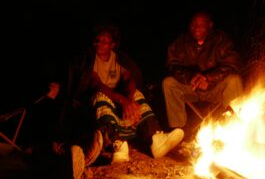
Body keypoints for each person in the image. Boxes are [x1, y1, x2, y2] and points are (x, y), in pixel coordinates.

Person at [62, 22, 184, 174]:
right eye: (97, 40)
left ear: (113, 44)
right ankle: (118, 144)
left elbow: (129, 79)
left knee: (137, 94)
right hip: (99, 97)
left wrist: (130, 100)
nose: (99, 44)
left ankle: (155, 139)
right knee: (100, 97)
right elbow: (96, 84)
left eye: (104, 41)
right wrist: (123, 101)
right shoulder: (89, 59)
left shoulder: (119, 58)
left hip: (118, 96)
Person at [162, 11, 244, 135]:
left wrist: (208, 79)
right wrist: (191, 76)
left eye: (200, 25)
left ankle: (235, 127)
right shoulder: (180, 42)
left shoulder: (221, 40)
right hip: (191, 88)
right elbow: (172, 66)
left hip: (215, 89)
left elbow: (232, 65)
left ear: (210, 25)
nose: (195, 28)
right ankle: (177, 131)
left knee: (234, 80)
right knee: (168, 83)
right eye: (193, 24)